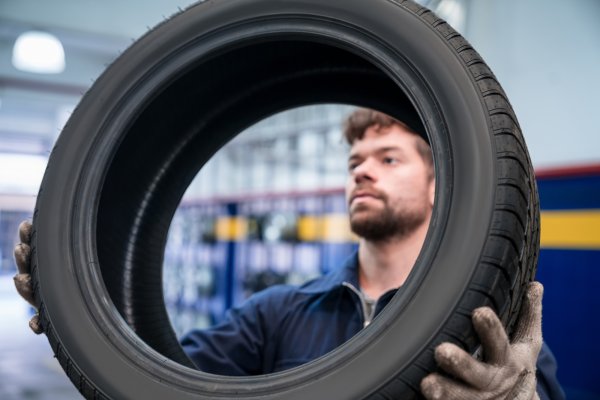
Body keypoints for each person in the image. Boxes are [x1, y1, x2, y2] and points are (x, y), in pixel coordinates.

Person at [14, 108, 565, 399]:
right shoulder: (275, 312)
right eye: (355, 163)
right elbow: (148, 375)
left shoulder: (489, 322)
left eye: (388, 159)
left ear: (436, 187)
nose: (363, 171)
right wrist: (78, 304)